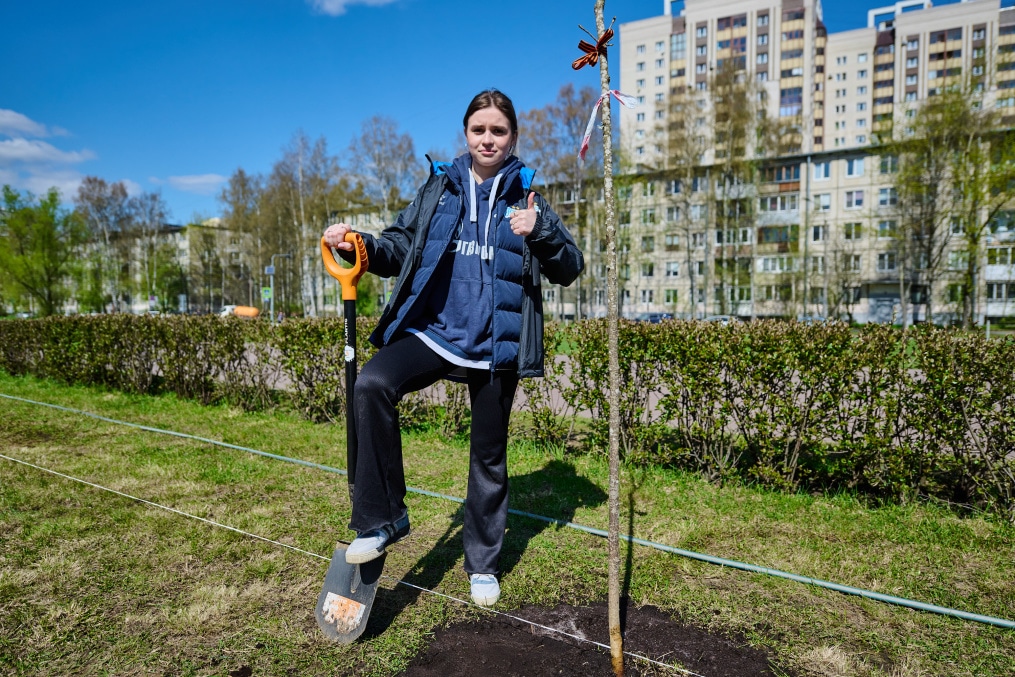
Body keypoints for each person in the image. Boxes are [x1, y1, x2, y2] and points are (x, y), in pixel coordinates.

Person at [322, 89, 584, 607]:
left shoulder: (527, 196)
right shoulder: (440, 187)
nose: (488, 139)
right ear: (466, 133)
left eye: (499, 131)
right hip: (434, 333)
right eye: (479, 130)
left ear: (513, 137)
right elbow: (399, 246)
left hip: (494, 347)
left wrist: (543, 231)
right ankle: (381, 519)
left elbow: (570, 267)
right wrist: (362, 245)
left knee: (488, 455)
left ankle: (482, 563)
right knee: (372, 384)